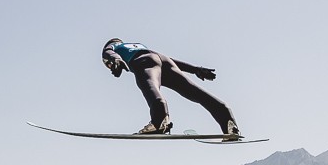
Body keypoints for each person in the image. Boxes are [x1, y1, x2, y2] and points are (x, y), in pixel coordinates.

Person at [102, 38, 240, 136]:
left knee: (149, 86)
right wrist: (195, 69)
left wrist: (116, 59)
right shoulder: (137, 45)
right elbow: (165, 59)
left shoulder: (113, 46)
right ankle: (229, 123)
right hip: (164, 60)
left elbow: (109, 53)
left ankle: (159, 121)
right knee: (195, 92)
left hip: (144, 61)